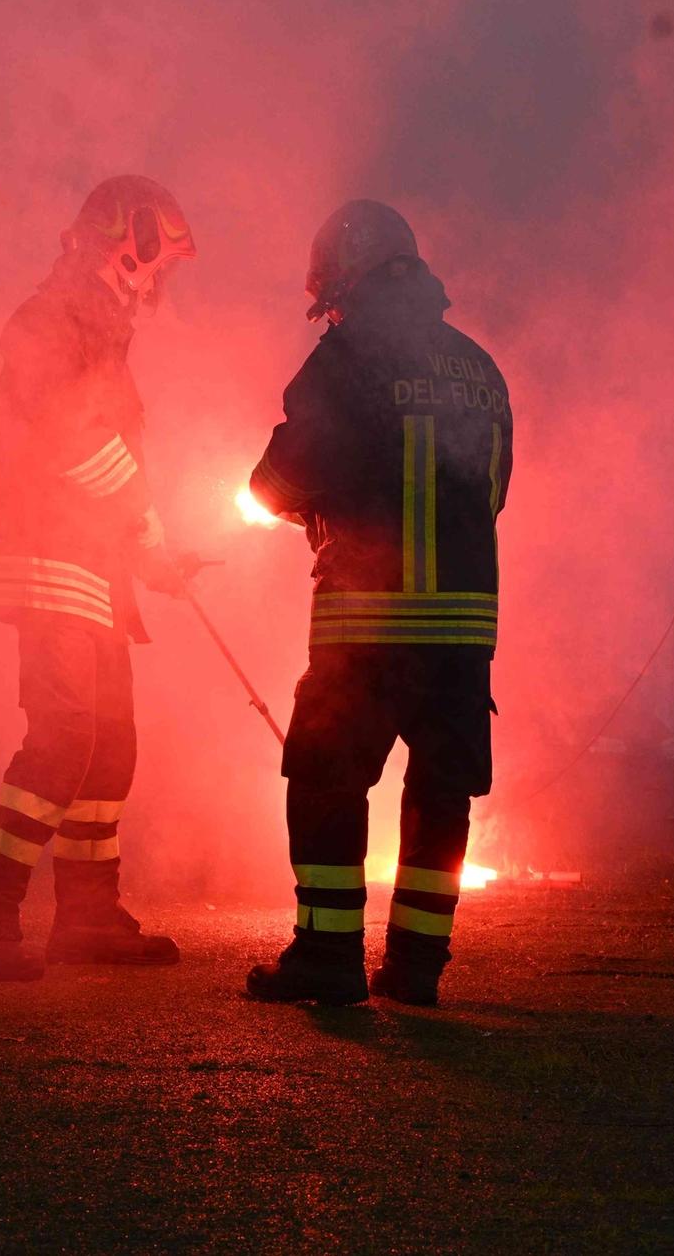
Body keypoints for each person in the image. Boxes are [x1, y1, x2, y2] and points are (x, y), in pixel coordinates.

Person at [241, 201, 513, 1007]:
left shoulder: (343, 362)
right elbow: (492, 493)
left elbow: (283, 479)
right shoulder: (480, 369)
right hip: (463, 631)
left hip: (366, 625)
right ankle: (418, 970)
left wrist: (290, 506)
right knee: (441, 790)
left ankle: (328, 957)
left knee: (326, 776)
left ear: (345, 283)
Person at [0, 176, 202, 981]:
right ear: (133, 245)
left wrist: (152, 552)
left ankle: (86, 916)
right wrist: (141, 515)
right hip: (45, 556)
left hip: (89, 561)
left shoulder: (95, 329)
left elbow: (107, 453)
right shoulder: (52, 321)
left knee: (109, 743)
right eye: (159, 263)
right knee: (62, 741)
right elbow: (67, 435)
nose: (159, 282)